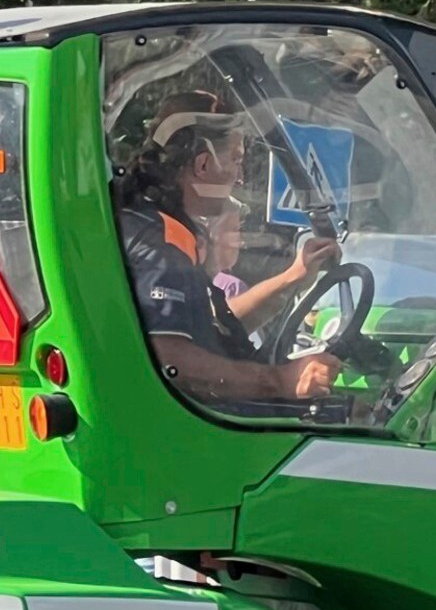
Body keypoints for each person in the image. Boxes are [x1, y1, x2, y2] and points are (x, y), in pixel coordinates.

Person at [119, 94, 343, 405]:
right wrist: (280, 381)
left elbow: (206, 328)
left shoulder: (146, 221)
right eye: (236, 160)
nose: (239, 176)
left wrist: (294, 278)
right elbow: (173, 360)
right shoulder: (163, 243)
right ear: (204, 164)